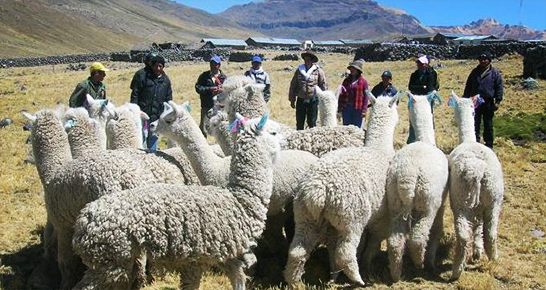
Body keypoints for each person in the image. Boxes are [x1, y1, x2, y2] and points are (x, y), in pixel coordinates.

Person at [130, 55, 172, 152]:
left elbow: (168, 98)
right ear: (152, 66)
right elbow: (135, 94)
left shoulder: (165, 80)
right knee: (141, 136)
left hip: (157, 115)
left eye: (160, 66)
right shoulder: (143, 76)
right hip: (143, 113)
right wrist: (135, 110)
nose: (158, 68)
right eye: (156, 66)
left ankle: (152, 156)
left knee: (153, 137)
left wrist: (166, 112)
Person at [463, 51, 503, 148]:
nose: (483, 61)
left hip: (488, 102)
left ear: (489, 60)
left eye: (485, 59)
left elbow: (499, 87)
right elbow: (468, 86)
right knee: (474, 123)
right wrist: (465, 98)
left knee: (488, 124)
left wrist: (497, 101)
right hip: (475, 102)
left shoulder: (494, 72)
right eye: (481, 59)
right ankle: (475, 142)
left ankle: (489, 144)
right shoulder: (474, 72)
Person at [289, 51, 327, 130]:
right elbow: (293, 85)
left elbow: (323, 85)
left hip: (313, 99)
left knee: (312, 122)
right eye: (305, 59)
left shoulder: (318, 71)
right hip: (301, 98)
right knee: (299, 121)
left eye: (309, 59)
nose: (307, 61)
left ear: (312, 61)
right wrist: (292, 100)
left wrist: (323, 100)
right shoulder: (299, 70)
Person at [407, 55, 438, 143]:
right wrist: (422, 87)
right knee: (413, 118)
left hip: (426, 101)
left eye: (420, 63)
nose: (418, 65)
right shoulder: (414, 75)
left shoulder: (431, 74)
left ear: (425, 64)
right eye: (418, 63)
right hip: (415, 100)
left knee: (426, 119)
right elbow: (410, 86)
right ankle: (412, 140)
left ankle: (428, 139)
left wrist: (419, 88)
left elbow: (429, 88)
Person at [195, 55, 227, 137]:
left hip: (220, 107)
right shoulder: (204, 76)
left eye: (215, 64)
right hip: (207, 105)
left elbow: (228, 91)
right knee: (204, 128)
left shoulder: (224, 78)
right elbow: (198, 88)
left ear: (219, 65)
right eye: (211, 63)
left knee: (219, 128)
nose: (213, 66)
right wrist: (210, 89)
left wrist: (221, 91)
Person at [337, 59, 369, 127]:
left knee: (356, 128)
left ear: (358, 70)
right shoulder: (346, 81)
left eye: (353, 68)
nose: (351, 70)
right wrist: (339, 109)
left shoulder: (364, 82)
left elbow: (366, 96)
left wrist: (364, 110)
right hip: (346, 108)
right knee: (346, 127)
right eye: (351, 68)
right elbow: (341, 95)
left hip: (358, 108)